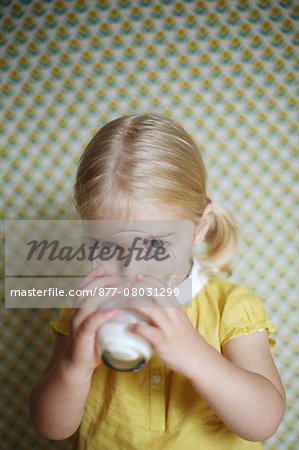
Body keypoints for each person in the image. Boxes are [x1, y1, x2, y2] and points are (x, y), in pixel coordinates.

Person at [29, 113, 285, 449]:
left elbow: (264, 422)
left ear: (199, 227)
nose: (131, 268)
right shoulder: (86, 308)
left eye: (154, 245)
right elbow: (52, 427)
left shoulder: (231, 307)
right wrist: (74, 365)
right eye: (107, 247)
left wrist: (194, 354)